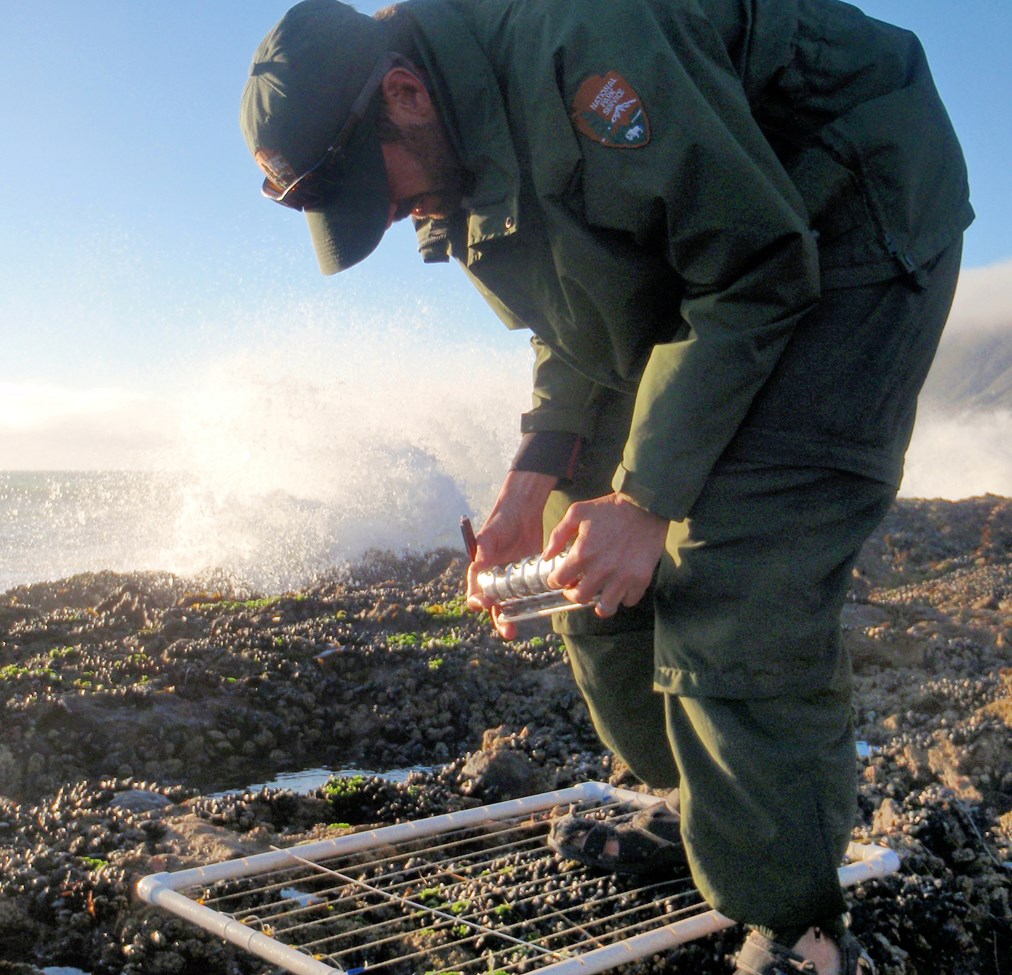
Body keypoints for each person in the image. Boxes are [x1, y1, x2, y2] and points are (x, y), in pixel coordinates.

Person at [240, 1, 972, 972]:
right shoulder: (453, 151)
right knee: (570, 551)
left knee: (732, 559)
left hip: (846, 197)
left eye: (372, 190)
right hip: (722, 235)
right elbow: (581, 323)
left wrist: (649, 503)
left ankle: (794, 928)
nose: (383, 214)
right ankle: (706, 810)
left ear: (404, 94)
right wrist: (529, 474)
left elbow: (755, 266)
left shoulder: (583, 43)